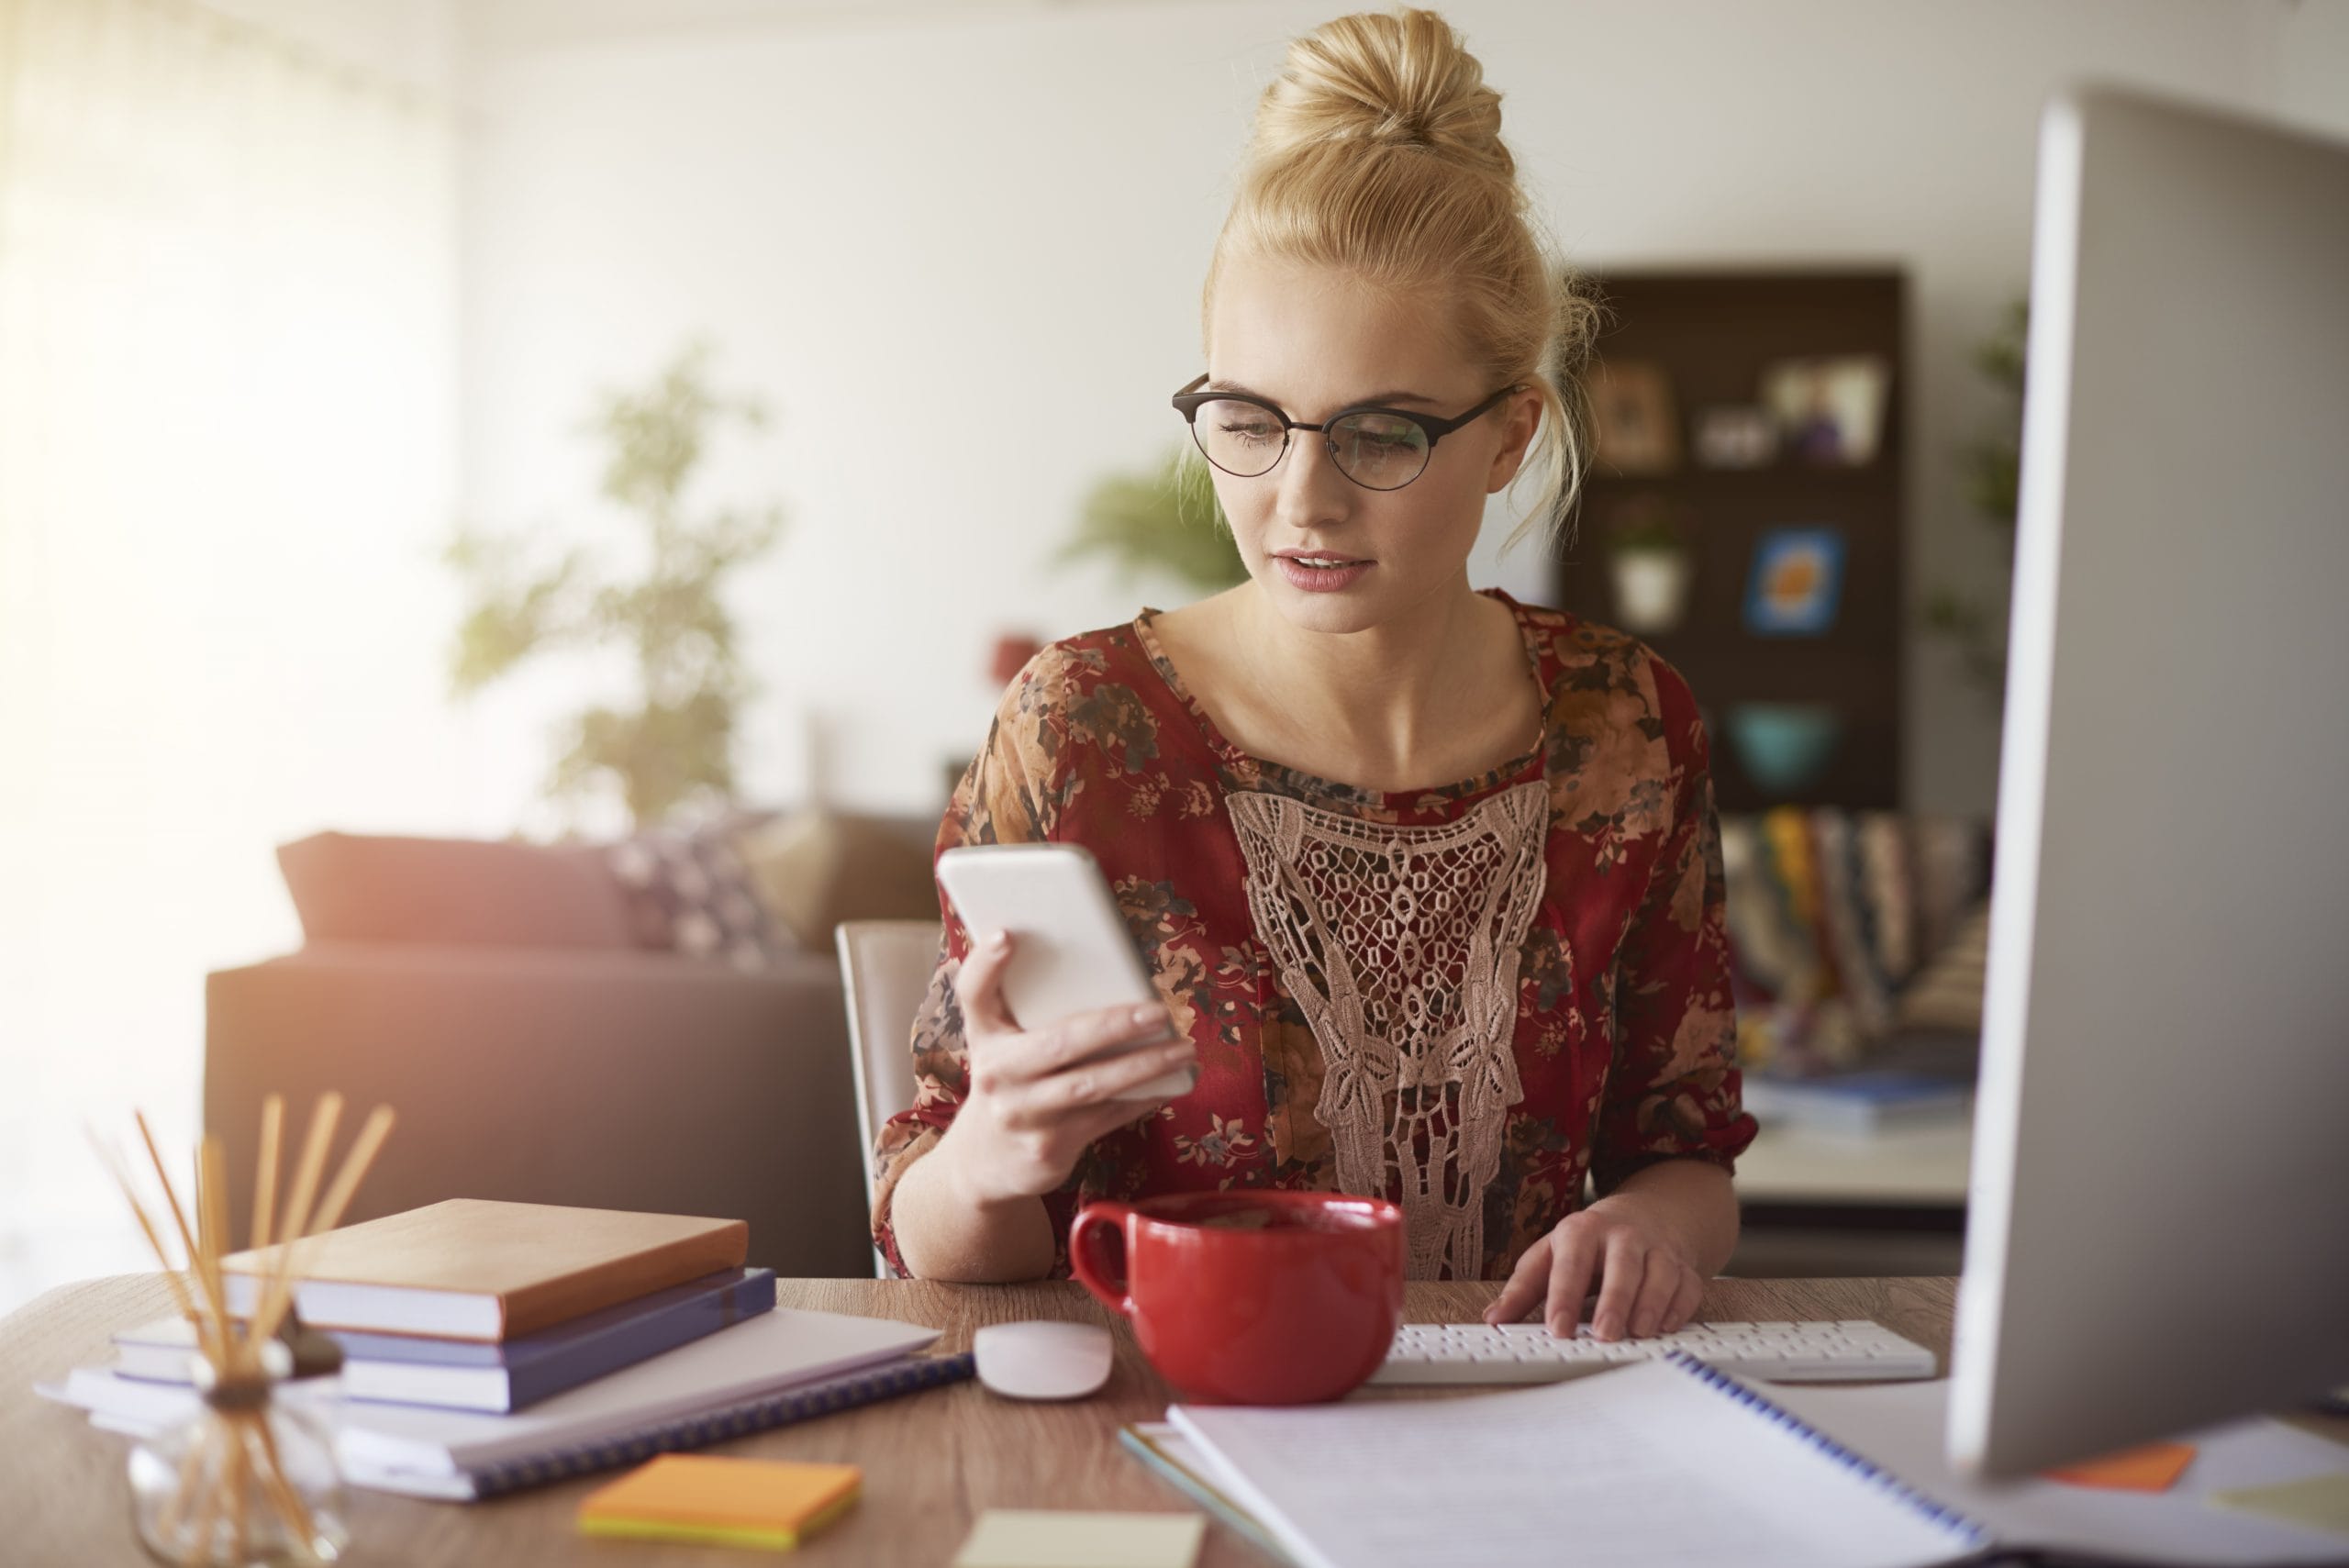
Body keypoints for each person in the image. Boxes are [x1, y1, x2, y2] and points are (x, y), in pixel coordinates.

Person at [873, 5, 1755, 1344]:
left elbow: (1686, 1150)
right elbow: (928, 1232)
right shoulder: (1083, 730)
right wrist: (996, 1150)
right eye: (1247, 422)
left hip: (1517, 1434)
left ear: (1511, 430)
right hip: (1167, 1431)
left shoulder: (1629, 726)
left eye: (1381, 434)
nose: (1301, 500)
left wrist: (1649, 1228)